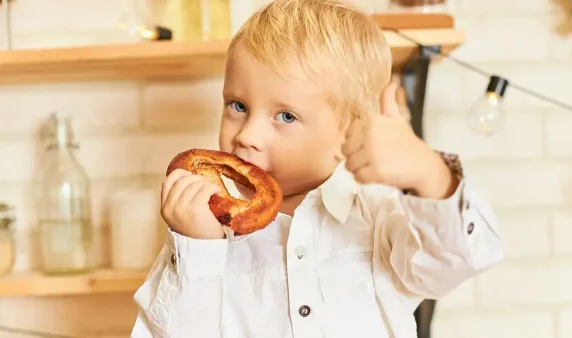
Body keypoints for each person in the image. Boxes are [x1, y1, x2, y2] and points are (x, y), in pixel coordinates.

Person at [130, 0, 504, 337]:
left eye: (286, 116)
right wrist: (198, 251)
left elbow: (454, 264)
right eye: (237, 105)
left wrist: (429, 174)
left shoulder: (379, 213)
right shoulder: (202, 235)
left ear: (349, 130)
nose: (248, 135)